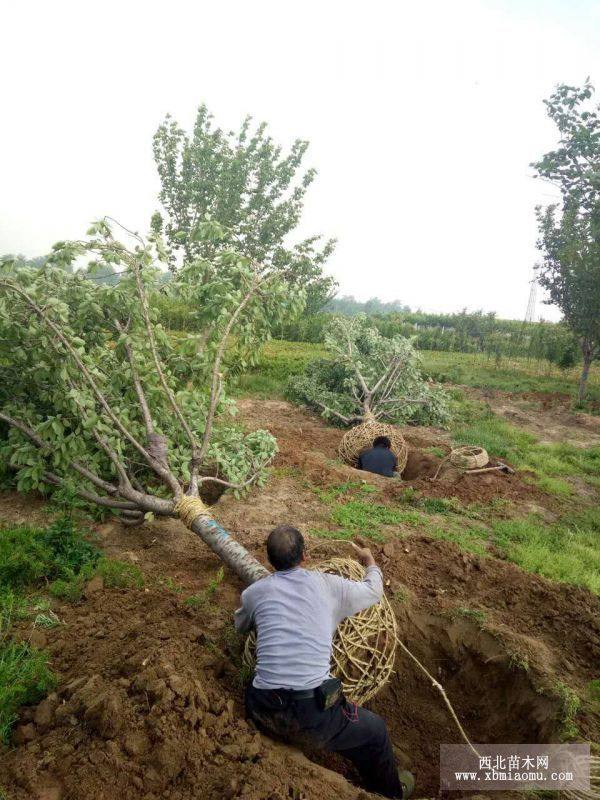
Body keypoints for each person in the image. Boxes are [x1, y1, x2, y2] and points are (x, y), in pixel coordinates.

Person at [234, 524, 414, 799]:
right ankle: (391, 793)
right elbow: (374, 591)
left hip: (262, 707)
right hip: (311, 718)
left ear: (269, 560)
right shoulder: (328, 585)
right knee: (375, 732)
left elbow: (240, 625)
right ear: (304, 555)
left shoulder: (255, 593)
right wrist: (369, 561)